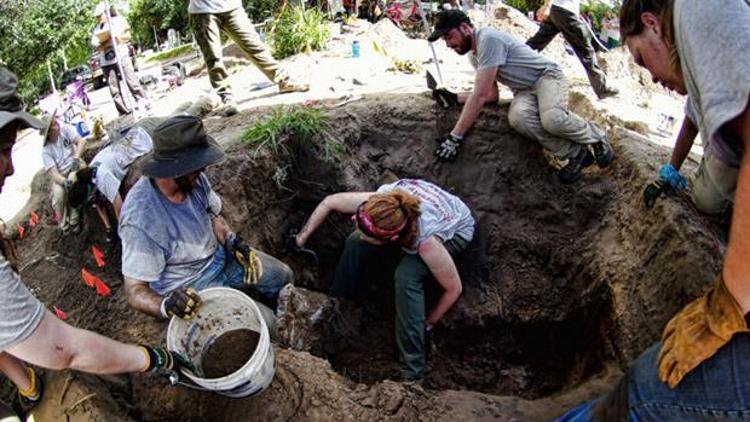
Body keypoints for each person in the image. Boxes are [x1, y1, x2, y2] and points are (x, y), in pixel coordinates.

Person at [557, 0, 750, 419]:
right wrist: (671, 169)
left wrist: (729, 304)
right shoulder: (699, 43)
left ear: (652, 24)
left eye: (642, 59)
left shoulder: (698, 8)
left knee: (643, 395)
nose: (649, 77)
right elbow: (694, 116)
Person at [0, 67, 190, 420]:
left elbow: (111, 195)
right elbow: (62, 350)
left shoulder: (94, 159)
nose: (10, 168)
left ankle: (26, 384)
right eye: (3, 149)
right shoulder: (93, 180)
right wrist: (151, 358)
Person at [292, 179, 475, 382]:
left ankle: (412, 371)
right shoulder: (382, 201)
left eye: (368, 234)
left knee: (407, 276)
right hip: (420, 212)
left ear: (392, 239)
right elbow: (330, 202)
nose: (357, 226)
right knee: (355, 240)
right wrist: (301, 238)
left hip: (457, 228)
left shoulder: (426, 242)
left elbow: (453, 288)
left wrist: (428, 322)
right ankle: (338, 301)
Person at [119, 115, 293, 324]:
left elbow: (213, 217)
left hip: (221, 257)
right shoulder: (141, 219)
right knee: (266, 323)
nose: (203, 169)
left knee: (284, 276)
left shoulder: (192, 180)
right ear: (175, 168)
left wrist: (233, 242)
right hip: (192, 285)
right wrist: (167, 305)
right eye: (196, 165)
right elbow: (135, 291)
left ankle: (284, 318)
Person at [428, 10, 614, 183]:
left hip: (547, 77)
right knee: (518, 118)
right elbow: (491, 95)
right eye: (444, 40)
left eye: (449, 36)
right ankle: (575, 153)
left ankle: (596, 136)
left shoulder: (488, 39)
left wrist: (455, 137)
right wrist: (454, 98)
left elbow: (480, 95)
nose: (448, 44)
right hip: (524, 90)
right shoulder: (474, 56)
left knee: (551, 118)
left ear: (465, 27)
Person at [66, 96, 221, 241]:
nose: (93, 202)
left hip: (146, 134)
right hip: (139, 131)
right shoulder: (89, 175)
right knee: (173, 119)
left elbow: (120, 208)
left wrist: (125, 235)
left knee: (185, 121)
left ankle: (208, 99)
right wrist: (108, 230)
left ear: (89, 193)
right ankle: (187, 102)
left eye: (91, 199)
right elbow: (98, 204)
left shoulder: (103, 177)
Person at [188, 0, 309, 115]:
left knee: (255, 45)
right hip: (202, 11)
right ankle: (226, 96)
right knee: (213, 57)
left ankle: (284, 80)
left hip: (231, 7)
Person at [643, 101, 739, 217]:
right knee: (707, 201)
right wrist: (671, 172)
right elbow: (690, 126)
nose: (655, 81)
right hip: (732, 149)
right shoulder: (702, 88)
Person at [526, 0, 618, 99]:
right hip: (565, 11)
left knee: (537, 42)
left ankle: (511, 60)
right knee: (586, 50)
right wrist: (547, 5)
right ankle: (601, 88)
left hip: (556, 10)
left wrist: (548, 6)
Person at [91, 2, 149, 116]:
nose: (98, 18)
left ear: (106, 12)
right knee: (114, 89)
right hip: (106, 61)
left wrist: (115, 39)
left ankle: (143, 102)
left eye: (100, 15)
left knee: (132, 81)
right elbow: (98, 47)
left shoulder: (118, 21)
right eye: (96, 17)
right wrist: (108, 42)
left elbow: (127, 36)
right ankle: (123, 111)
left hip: (121, 56)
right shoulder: (97, 30)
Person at [41, 109, 86, 234]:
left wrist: (76, 158)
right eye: (55, 125)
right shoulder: (46, 151)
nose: (58, 125)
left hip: (74, 164)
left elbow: (81, 141)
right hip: (61, 174)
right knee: (59, 196)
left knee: (73, 183)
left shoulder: (65, 130)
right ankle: (64, 225)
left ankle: (74, 220)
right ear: (49, 133)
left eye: (56, 122)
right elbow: (54, 173)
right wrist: (63, 181)